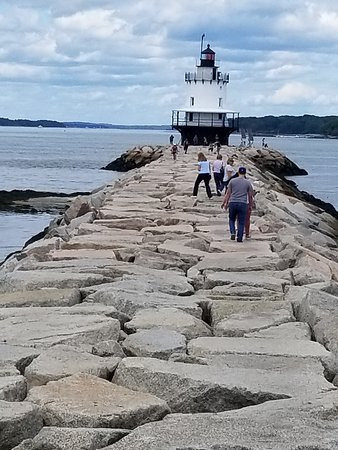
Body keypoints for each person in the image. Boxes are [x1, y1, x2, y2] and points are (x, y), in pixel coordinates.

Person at [221, 167, 253, 242]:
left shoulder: (232, 181)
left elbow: (228, 193)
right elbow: (250, 195)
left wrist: (224, 202)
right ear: (245, 173)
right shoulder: (248, 183)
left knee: (231, 219)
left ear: (238, 173)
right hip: (243, 203)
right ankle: (240, 237)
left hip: (233, 202)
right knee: (241, 221)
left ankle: (232, 232)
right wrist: (250, 205)